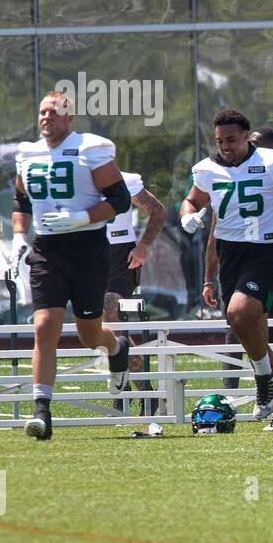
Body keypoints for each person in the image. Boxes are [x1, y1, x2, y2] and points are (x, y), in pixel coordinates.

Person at [181, 109, 273, 431]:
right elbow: (192, 200)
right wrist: (188, 215)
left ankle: (263, 379)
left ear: (246, 136)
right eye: (219, 140)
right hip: (231, 254)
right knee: (251, 330)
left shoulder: (271, 164)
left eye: (231, 139)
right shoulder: (207, 169)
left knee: (240, 314)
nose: (225, 146)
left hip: (267, 251)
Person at [12, 92, 134, 440]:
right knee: (44, 325)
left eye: (53, 112)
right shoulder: (28, 153)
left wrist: (81, 217)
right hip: (47, 249)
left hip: (88, 248)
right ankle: (42, 411)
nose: (45, 118)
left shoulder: (90, 149)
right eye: (41, 112)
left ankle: (115, 347)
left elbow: (120, 199)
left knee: (88, 333)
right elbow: (21, 199)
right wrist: (19, 237)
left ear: (70, 118)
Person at [102, 168, 167, 410]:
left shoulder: (124, 180)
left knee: (111, 311)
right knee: (98, 325)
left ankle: (140, 390)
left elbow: (158, 210)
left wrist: (143, 246)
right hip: (87, 252)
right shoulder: (76, 179)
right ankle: (127, 382)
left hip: (119, 253)